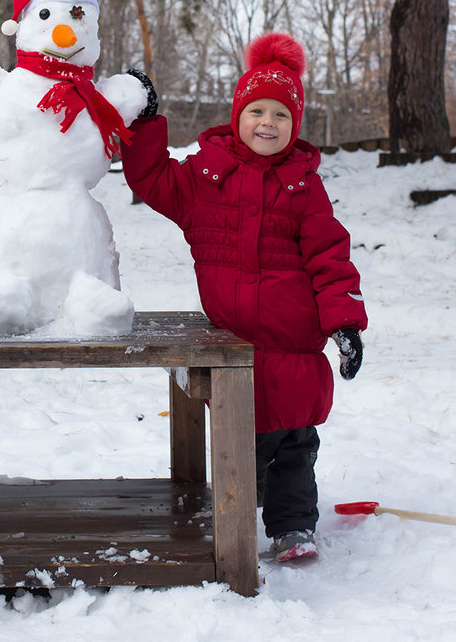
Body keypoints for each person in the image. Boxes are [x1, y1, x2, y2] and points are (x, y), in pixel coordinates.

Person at [122, 33, 367, 563]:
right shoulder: (207, 177)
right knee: (243, 447)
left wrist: (345, 322)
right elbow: (150, 176)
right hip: (233, 345)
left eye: (281, 115)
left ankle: (294, 527)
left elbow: (330, 255)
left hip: (295, 344)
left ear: (294, 126)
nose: (267, 122)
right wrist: (144, 123)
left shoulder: (304, 188)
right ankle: (233, 514)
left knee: (297, 449)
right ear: (237, 114)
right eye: (256, 109)